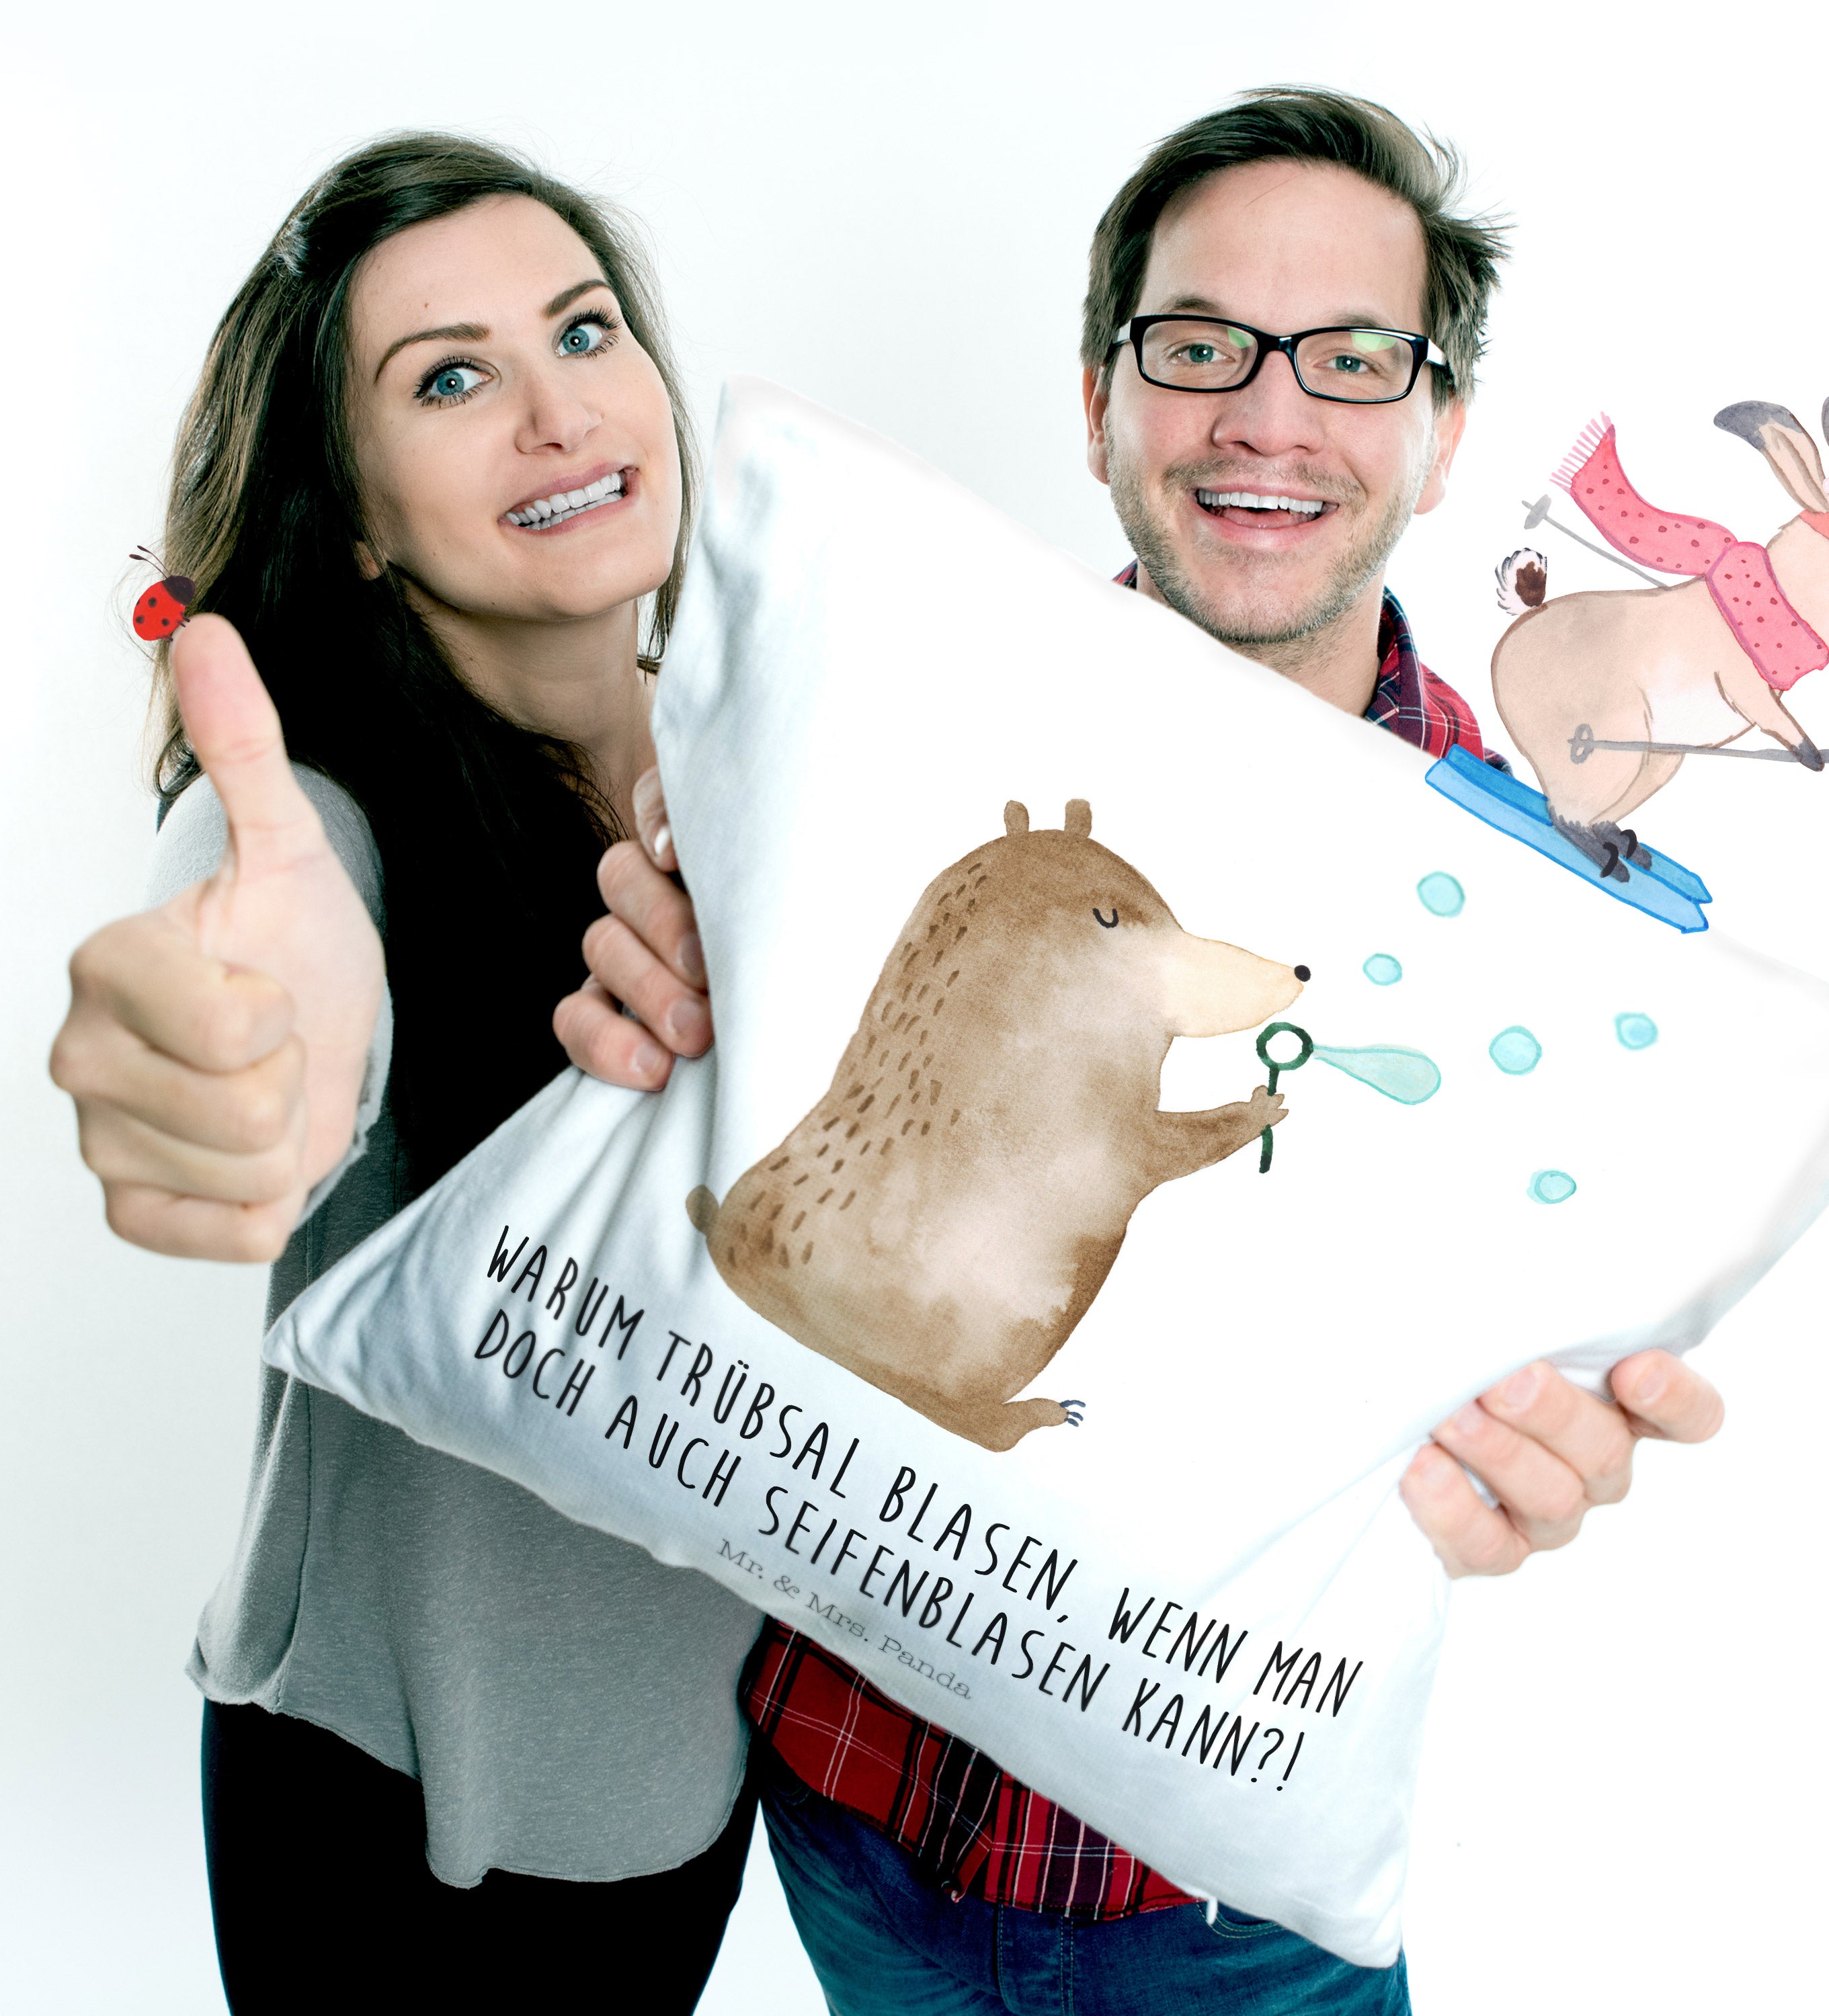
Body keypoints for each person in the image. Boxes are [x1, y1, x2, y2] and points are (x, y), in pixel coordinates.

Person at [557, 89, 1728, 2012]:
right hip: (845, 1816)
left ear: (1441, 436)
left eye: (1353, 358)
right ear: (1100, 400)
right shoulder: (874, 734)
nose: (1269, 416)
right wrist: (649, 1004)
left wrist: (1545, 1436)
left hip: (1230, 1907)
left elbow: (1520, 1353)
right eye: (1200, 347)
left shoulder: (1538, 921)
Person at [48, 136, 758, 2013]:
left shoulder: (760, 772)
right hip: (397, 1815)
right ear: (357, 519)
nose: (556, 412)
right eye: (450, 379)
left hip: (691, 1781)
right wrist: (233, 1047)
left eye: (583, 332)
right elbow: (264, 941)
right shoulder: (323, 814)